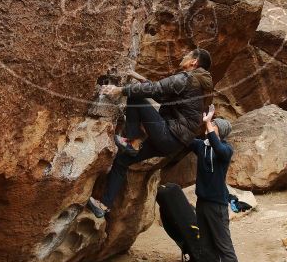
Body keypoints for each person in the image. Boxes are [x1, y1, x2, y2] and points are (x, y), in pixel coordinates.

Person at [86, 49, 213, 218]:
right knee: (123, 160)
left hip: (169, 134)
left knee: (135, 98)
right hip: (172, 143)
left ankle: (132, 141)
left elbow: (156, 89)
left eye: (188, 55)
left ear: (194, 62)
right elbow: (163, 96)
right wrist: (140, 77)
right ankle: (104, 205)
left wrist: (120, 90)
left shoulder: (187, 78)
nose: (183, 55)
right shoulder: (194, 83)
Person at [190, 106, 245, 262]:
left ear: (218, 131)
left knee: (224, 246)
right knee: (205, 245)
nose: (209, 126)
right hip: (202, 203)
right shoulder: (201, 146)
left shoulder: (225, 150)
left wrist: (208, 123)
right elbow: (187, 140)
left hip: (217, 205)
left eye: (213, 125)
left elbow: (218, 148)